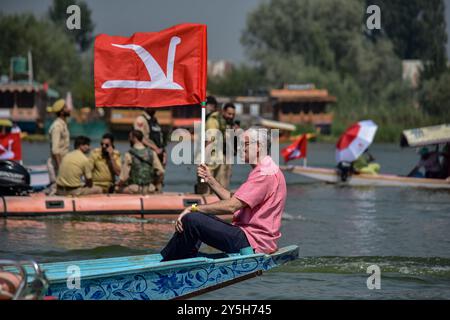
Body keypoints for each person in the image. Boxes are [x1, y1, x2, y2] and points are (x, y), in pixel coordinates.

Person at [160, 128, 286, 261]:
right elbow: (234, 200)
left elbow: (231, 206)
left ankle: (169, 259)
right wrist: (210, 180)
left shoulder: (264, 174)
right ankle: (178, 256)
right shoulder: (266, 169)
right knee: (198, 217)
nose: (241, 148)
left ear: (259, 147)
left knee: (192, 219)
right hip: (251, 238)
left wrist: (193, 208)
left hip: (252, 242)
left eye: (246, 144)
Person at [197, 103, 237, 194]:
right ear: (223, 112)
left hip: (223, 156)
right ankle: (205, 200)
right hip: (212, 155)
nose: (231, 116)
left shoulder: (230, 124)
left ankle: (219, 201)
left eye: (233, 114)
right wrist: (204, 158)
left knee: (222, 183)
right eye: (229, 114)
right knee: (206, 184)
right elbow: (210, 139)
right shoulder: (214, 121)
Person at [116, 130, 165, 194]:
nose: (128, 139)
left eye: (130, 137)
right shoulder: (152, 153)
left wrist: (118, 184)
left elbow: (124, 177)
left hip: (135, 188)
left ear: (134, 138)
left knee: (116, 189)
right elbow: (161, 172)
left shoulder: (129, 154)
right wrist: (155, 183)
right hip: (150, 188)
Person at [134, 110, 166, 192]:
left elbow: (160, 139)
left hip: (159, 155)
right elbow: (139, 137)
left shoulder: (154, 120)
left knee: (160, 177)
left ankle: (158, 194)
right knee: (150, 179)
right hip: (146, 155)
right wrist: (155, 148)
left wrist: (164, 153)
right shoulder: (141, 120)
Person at [46, 99, 70, 195]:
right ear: (62, 111)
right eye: (66, 107)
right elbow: (55, 150)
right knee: (55, 191)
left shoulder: (63, 124)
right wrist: (61, 169)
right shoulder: (57, 127)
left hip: (61, 163)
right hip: (56, 165)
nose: (69, 109)